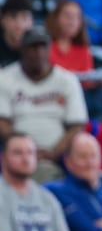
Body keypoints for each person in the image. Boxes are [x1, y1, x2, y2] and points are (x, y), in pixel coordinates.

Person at [0, 27, 88, 183]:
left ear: (49, 49)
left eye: (42, 46)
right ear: (23, 50)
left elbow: (77, 125)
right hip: (18, 151)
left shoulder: (67, 80)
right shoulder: (5, 78)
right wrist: (27, 150)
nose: (38, 52)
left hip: (60, 153)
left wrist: (55, 152)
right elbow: (2, 123)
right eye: (33, 47)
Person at [45, 0, 102, 126]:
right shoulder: (46, 48)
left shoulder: (83, 50)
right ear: (55, 19)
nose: (72, 21)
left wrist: (99, 82)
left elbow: (87, 80)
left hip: (83, 98)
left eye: (76, 17)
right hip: (57, 98)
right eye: (67, 16)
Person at [0, 0, 32, 68]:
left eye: (24, 16)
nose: (19, 24)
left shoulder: (38, 46)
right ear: (2, 20)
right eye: (13, 17)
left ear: (31, 21)